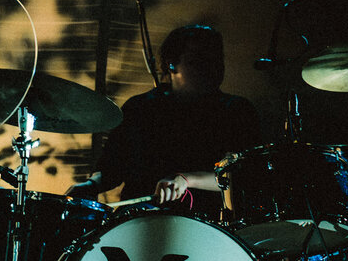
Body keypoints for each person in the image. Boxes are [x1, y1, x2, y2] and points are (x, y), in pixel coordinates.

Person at [75, 24, 261, 207]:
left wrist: (186, 179)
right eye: (198, 60)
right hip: (141, 218)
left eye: (217, 60)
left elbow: (245, 175)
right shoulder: (140, 108)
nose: (211, 68)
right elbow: (112, 168)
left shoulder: (237, 111)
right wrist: (90, 185)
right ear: (171, 64)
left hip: (208, 221)